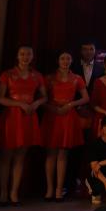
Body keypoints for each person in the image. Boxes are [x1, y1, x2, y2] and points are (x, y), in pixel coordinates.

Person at [0, 45, 46, 205]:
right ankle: (3, 193)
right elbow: (0, 98)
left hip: (28, 117)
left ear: (32, 56)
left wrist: (36, 103)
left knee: (21, 156)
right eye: (22, 54)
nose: (25, 57)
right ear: (17, 56)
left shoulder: (37, 75)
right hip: (12, 117)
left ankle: (14, 192)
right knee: (6, 156)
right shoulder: (7, 74)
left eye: (28, 54)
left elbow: (44, 97)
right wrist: (19, 104)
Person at [43, 51, 89, 201]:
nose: (65, 61)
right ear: (57, 60)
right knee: (51, 154)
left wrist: (70, 105)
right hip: (52, 115)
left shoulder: (76, 78)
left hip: (68, 117)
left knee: (63, 154)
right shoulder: (49, 78)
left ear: (72, 60)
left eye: (68, 58)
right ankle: (49, 189)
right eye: (62, 58)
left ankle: (59, 189)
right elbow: (42, 99)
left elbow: (85, 98)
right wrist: (53, 108)